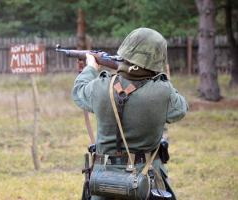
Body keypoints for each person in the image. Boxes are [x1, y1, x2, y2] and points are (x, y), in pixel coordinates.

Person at [72, 28, 188, 200]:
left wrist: (90, 68)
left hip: (104, 182)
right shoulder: (163, 91)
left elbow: (79, 92)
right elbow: (180, 109)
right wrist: (159, 76)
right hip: (147, 181)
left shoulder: (100, 86)